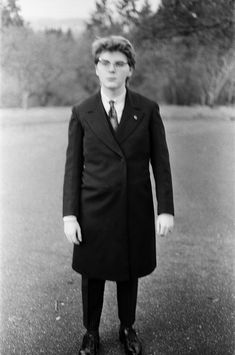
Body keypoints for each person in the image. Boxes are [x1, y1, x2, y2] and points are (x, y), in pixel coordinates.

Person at [63, 35, 174, 355]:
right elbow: (73, 167)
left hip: (133, 207)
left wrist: (165, 208)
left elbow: (161, 162)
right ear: (96, 69)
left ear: (130, 70)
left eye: (119, 64)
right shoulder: (82, 112)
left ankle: (128, 328)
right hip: (93, 210)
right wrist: (69, 214)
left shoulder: (148, 109)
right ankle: (91, 332)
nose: (111, 69)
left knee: (129, 272)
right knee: (92, 274)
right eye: (105, 63)